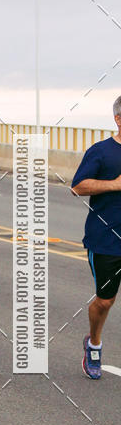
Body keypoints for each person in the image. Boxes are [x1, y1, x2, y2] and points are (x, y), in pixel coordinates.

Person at [71, 95, 121, 379]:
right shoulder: (101, 152)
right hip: (107, 239)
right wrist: (114, 184)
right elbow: (78, 186)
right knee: (105, 301)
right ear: (118, 119)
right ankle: (94, 343)